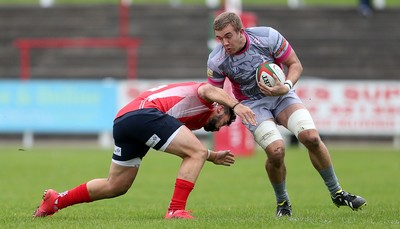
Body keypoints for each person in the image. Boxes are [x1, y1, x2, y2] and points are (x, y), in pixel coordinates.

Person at [207, 12, 367, 217]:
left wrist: (286, 86)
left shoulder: (267, 37)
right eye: (219, 38)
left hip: (283, 96)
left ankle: (337, 192)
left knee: (311, 137)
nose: (224, 42)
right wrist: (231, 107)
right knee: (276, 151)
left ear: (241, 31)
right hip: (252, 105)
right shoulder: (217, 59)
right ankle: (283, 202)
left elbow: (295, 64)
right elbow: (214, 92)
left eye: (228, 36)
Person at [33, 82, 257, 219]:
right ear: (220, 108)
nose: (220, 128)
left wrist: (211, 155)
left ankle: (55, 201)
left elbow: (187, 147)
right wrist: (236, 105)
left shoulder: (195, 121)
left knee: (116, 185)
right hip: (145, 115)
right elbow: (208, 89)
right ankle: (175, 210)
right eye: (225, 121)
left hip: (124, 120)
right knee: (196, 152)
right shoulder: (208, 99)